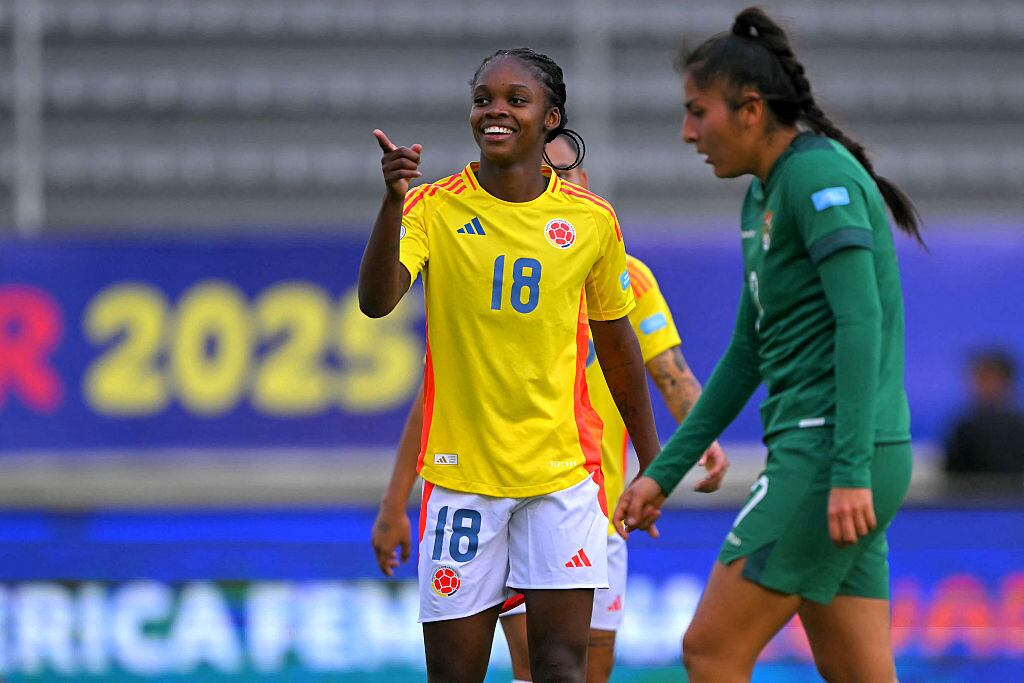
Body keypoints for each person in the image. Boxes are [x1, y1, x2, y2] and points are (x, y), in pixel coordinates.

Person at [613, 7, 926, 682]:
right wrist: (665, 471)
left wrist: (846, 471)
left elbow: (860, 320)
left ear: (750, 109)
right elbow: (747, 355)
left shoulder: (816, 179)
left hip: (833, 456)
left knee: (709, 649)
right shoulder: (763, 196)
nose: (687, 132)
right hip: (842, 456)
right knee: (859, 672)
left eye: (699, 111)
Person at [371, 133, 729, 683]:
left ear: (582, 182)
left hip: (596, 501)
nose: (554, 180)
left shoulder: (624, 273)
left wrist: (692, 444)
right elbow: (435, 393)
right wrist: (396, 501)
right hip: (505, 484)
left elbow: (668, 371)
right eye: (545, 170)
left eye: (565, 171)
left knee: (586, 671)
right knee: (529, 667)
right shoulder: (487, 256)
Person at [944, 348, 1024, 478]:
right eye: (980, 380)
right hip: (972, 498)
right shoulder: (964, 430)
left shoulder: (1020, 427)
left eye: (990, 379)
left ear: (1008, 383)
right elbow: (954, 480)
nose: (983, 387)